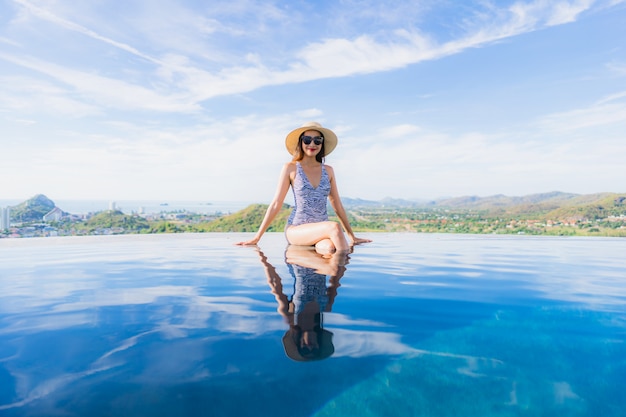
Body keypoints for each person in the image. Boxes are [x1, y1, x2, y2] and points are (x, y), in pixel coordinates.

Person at [236, 121, 371, 253]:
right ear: (300, 142)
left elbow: (337, 205)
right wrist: (257, 237)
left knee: (330, 248)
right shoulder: (291, 168)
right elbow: (277, 203)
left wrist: (352, 237)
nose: (312, 144)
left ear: (322, 143)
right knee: (334, 227)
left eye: (317, 140)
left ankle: (331, 272)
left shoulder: (328, 171)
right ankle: (343, 274)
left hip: (322, 231)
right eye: (307, 140)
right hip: (297, 229)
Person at [256, 245, 348, 361]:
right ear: (318, 343)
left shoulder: (290, 314)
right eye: (314, 348)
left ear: (298, 342)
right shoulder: (325, 307)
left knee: (328, 245)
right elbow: (336, 279)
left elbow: (275, 284)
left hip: (298, 257)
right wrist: (344, 257)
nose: (309, 345)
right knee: (329, 248)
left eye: (304, 348)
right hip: (321, 259)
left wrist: (263, 259)